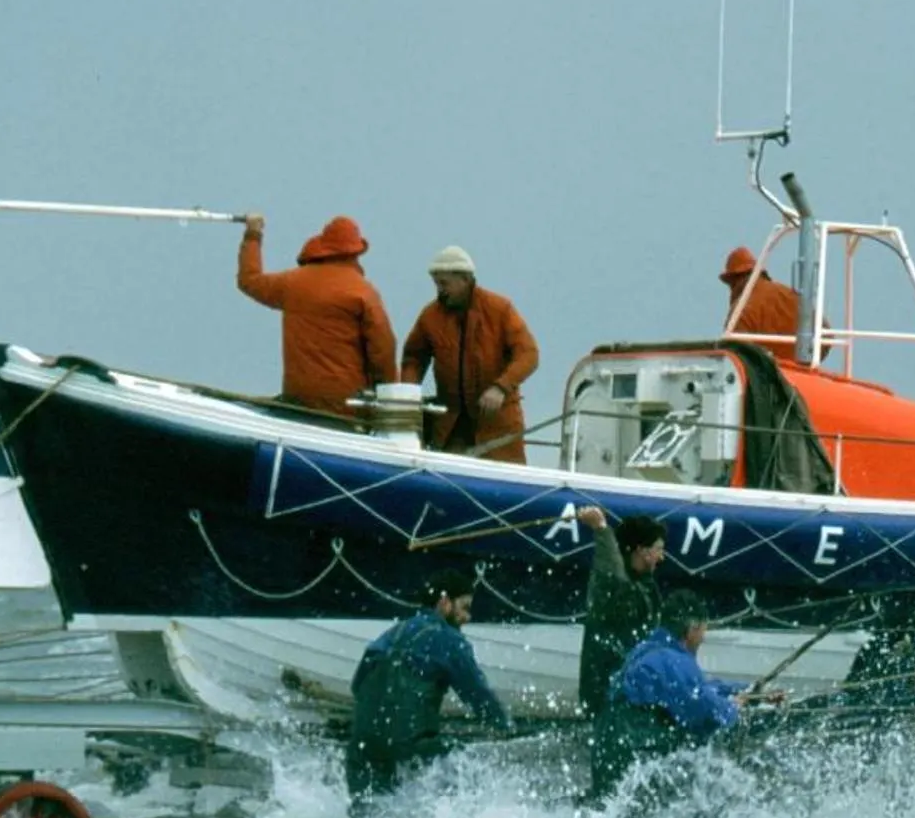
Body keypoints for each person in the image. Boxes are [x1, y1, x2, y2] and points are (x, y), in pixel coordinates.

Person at [587, 590, 779, 812]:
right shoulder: (674, 662)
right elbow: (703, 712)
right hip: (633, 752)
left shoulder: (647, 651)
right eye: (703, 631)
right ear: (692, 630)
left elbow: (699, 690)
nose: (704, 637)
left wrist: (751, 692)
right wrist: (733, 706)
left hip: (609, 749)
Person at [346, 568, 513, 799]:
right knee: (467, 768)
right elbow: (476, 694)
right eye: (464, 608)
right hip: (409, 745)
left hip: (362, 743)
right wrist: (504, 726)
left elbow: (357, 686)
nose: (468, 618)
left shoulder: (392, 633)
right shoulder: (451, 640)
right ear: (445, 603)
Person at [236, 212, 397, 415]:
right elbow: (383, 350)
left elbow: (249, 280)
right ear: (356, 252)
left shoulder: (292, 283)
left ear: (323, 245)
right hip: (347, 405)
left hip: (299, 399)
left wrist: (253, 235)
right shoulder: (364, 292)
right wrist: (389, 394)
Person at [399, 246, 540, 463]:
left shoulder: (499, 310)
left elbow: (528, 354)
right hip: (451, 427)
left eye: (444, 284)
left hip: (498, 427)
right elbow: (413, 359)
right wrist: (408, 397)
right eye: (436, 284)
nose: (439, 290)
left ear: (465, 279)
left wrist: (501, 387)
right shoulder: (430, 317)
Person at [574, 506, 665, 718]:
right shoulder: (609, 586)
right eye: (659, 549)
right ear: (642, 550)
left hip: (631, 695)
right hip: (606, 695)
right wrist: (601, 529)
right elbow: (614, 578)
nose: (662, 557)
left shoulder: (646, 585)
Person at [717, 246, 823, 362]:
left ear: (732, 280)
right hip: (799, 376)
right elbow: (825, 331)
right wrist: (806, 363)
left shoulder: (741, 310)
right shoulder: (789, 295)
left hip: (766, 377)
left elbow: (735, 355)